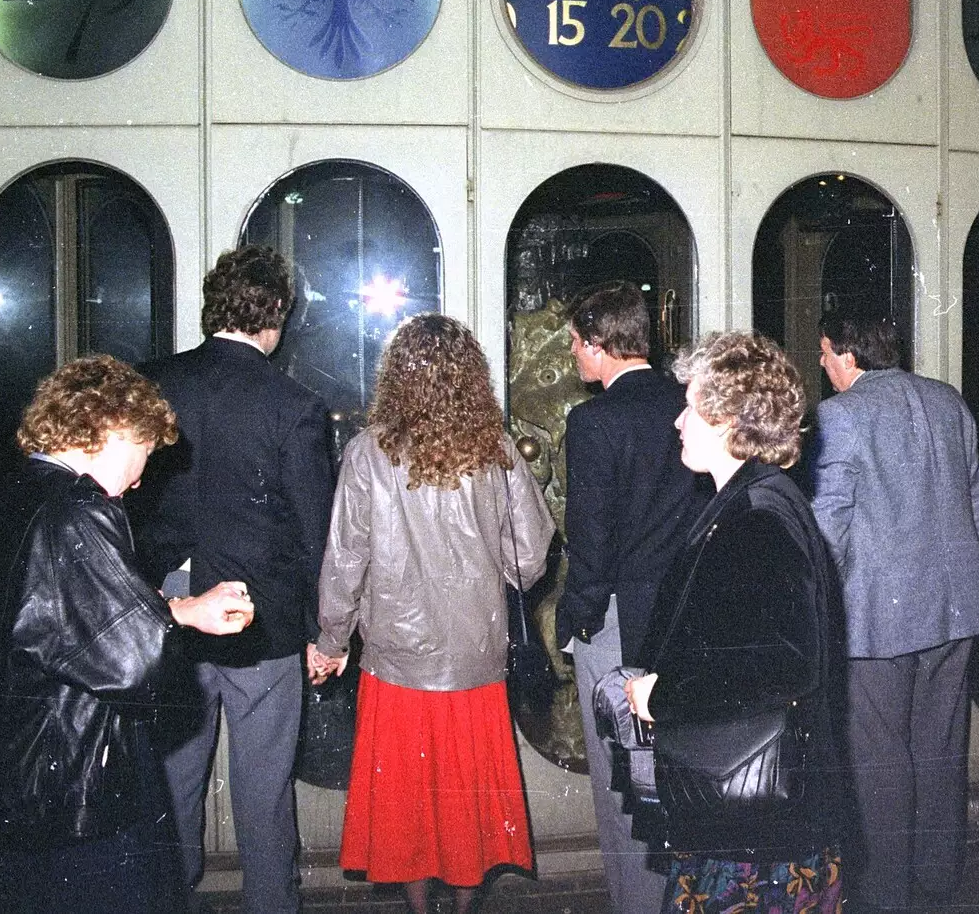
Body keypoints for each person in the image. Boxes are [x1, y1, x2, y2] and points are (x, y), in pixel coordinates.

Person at [0, 355, 256, 914]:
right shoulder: (78, 512)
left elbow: (59, 623)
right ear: (112, 430)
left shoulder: (18, 491)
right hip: (77, 789)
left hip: (15, 782)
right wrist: (169, 629)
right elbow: (137, 667)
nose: (143, 474)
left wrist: (179, 608)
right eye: (144, 452)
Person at [312, 314, 554, 914]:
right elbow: (531, 555)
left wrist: (332, 639)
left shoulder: (370, 452)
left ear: (397, 376)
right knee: (466, 806)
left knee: (410, 808)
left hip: (398, 659)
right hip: (475, 657)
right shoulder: (497, 450)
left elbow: (346, 557)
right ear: (472, 377)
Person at [131, 245, 336, 914]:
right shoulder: (295, 404)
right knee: (264, 791)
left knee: (170, 784)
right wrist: (320, 632)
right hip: (264, 622)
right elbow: (315, 533)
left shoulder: (152, 383)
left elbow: (127, 510)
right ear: (275, 314)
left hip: (171, 613)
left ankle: (169, 898)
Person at [625, 331, 846, 914]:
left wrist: (663, 694)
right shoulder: (751, 500)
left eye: (690, 406)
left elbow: (786, 662)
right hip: (755, 817)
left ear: (727, 420)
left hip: (757, 835)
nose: (677, 421)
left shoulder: (757, 517)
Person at [807, 312, 979, 913]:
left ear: (847, 354)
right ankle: (937, 875)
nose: (822, 364)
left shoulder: (841, 416)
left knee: (879, 753)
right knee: (940, 743)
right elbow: (976, 503)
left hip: (877, 619)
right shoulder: (947, 401)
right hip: (955, 608)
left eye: (824, 352)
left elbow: (829, 528)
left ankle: (885, 890)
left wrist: (825, 604)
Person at [553, 281, 711, 914]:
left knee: (624, 789)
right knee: (682, 775)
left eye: (574, 343)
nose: (570, 354)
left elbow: (589, 543)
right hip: (689, 614)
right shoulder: (691, 403)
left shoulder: (592, 422)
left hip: (621, 621)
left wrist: (575, 621)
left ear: (599, 345)